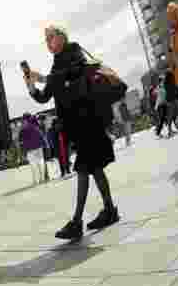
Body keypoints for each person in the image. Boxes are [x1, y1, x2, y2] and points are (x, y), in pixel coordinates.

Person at [25, 25, 119, 240]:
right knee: (94, 169)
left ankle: (77, 221)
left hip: (88, 120)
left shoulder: (74, 51)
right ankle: (110, 209)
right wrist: (31, 86)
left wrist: (46, 78)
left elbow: (75, 73)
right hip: (78, 126)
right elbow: (43, 97)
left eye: (51, 37)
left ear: (61, 37)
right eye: (45, 39)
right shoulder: (56, 64)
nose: (48, 42)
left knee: (84, 169)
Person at [19, 113, 46, 185]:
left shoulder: (24, 128)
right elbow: (41, 135)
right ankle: (42, 178)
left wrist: (23, 150)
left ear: (25, 119)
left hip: (30, 149)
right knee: (40, 162)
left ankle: (35, 180)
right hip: (38, 147)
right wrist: (45, 144)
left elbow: (21, 141)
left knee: (33, 165)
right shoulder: (35, 125)